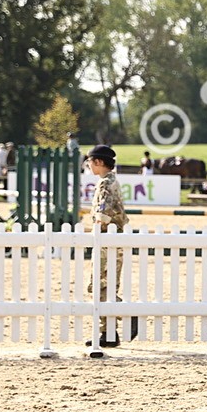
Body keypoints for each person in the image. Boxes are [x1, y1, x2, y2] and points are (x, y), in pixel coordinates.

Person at [85, 145, 130, 355]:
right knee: (107, 286)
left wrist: (95, 230)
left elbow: (102, 216)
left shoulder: (105, 184)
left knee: (101, 286)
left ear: (99, 162)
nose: (88, 165)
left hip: (106, 241)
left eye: (90, 161)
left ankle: (124, 315)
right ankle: (108, 333)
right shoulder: (112, 181)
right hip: (114, 240)